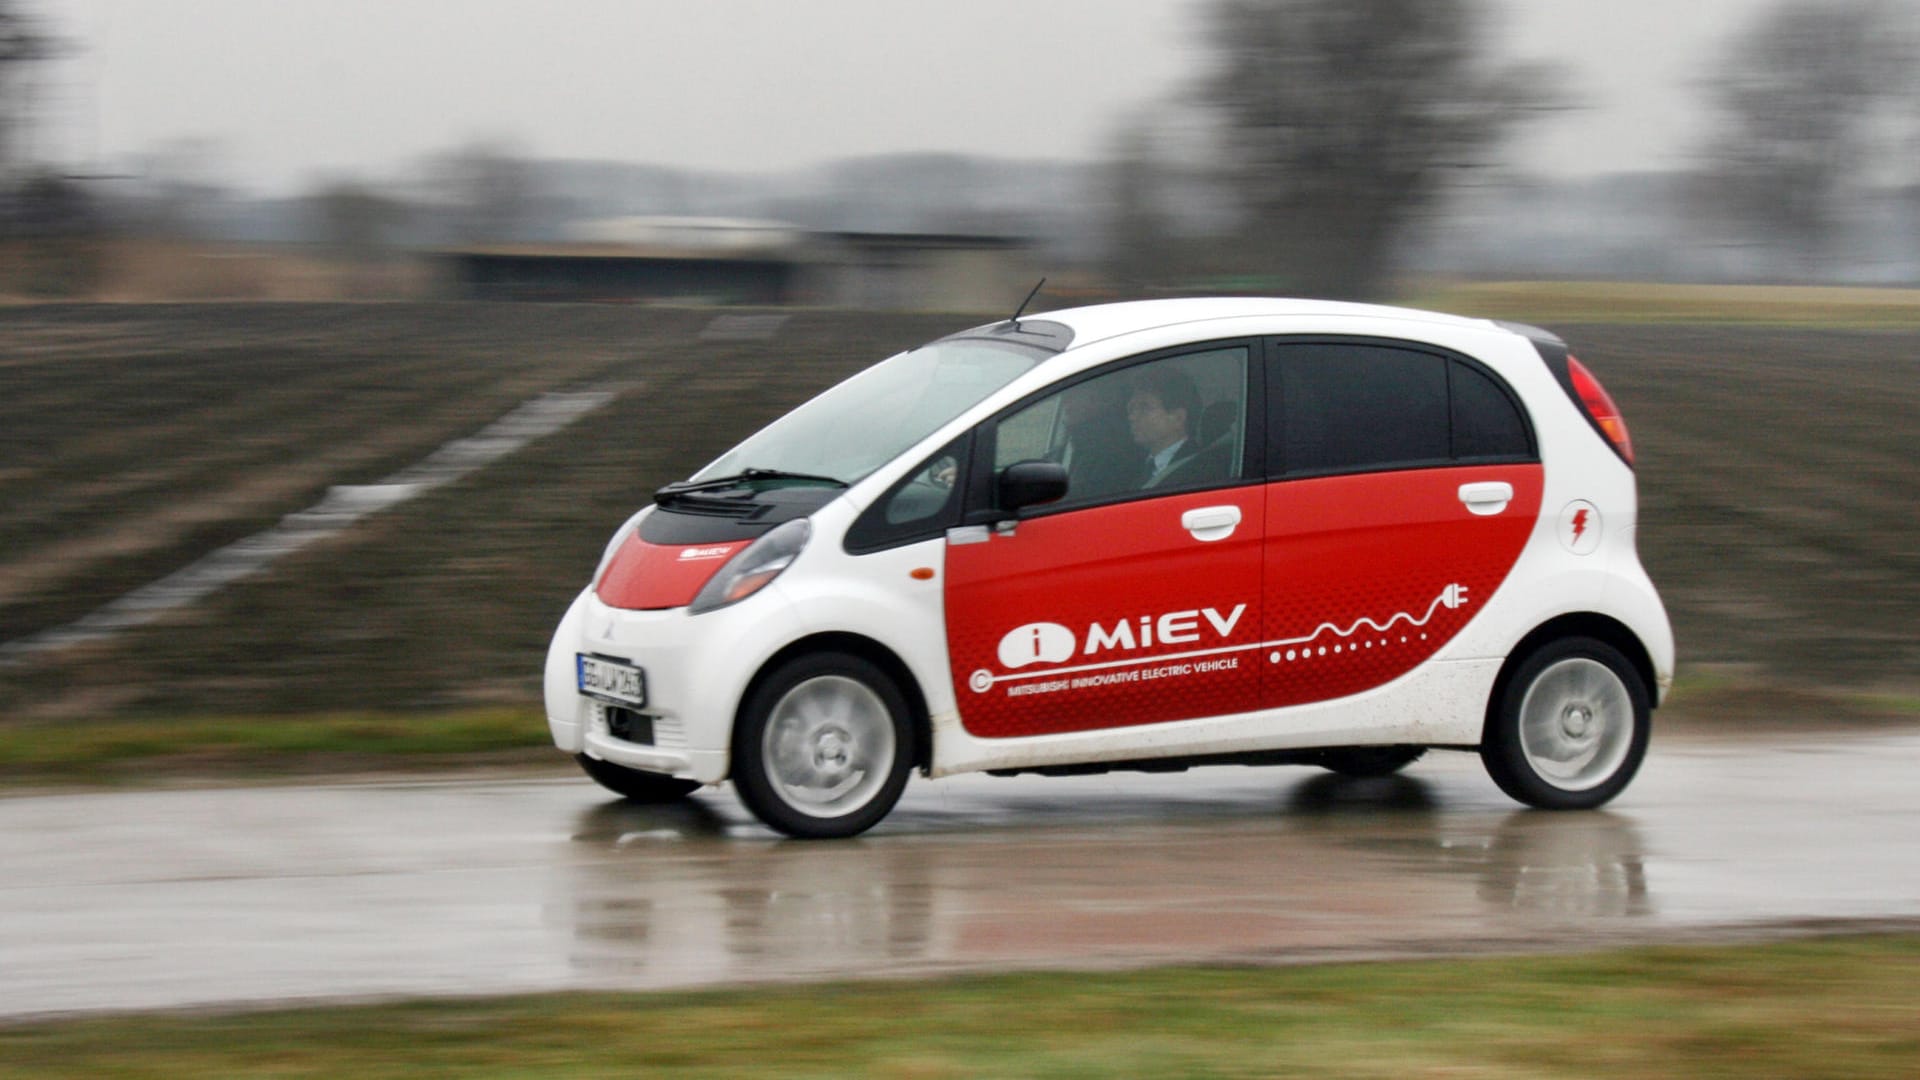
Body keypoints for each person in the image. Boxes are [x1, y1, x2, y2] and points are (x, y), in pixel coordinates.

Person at [1127, 368, 1204, 488]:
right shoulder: (1132, 467)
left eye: (1145, 408)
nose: (1132, 417)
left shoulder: (1200, 470)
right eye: (1131, 409)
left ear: (1178, 418)